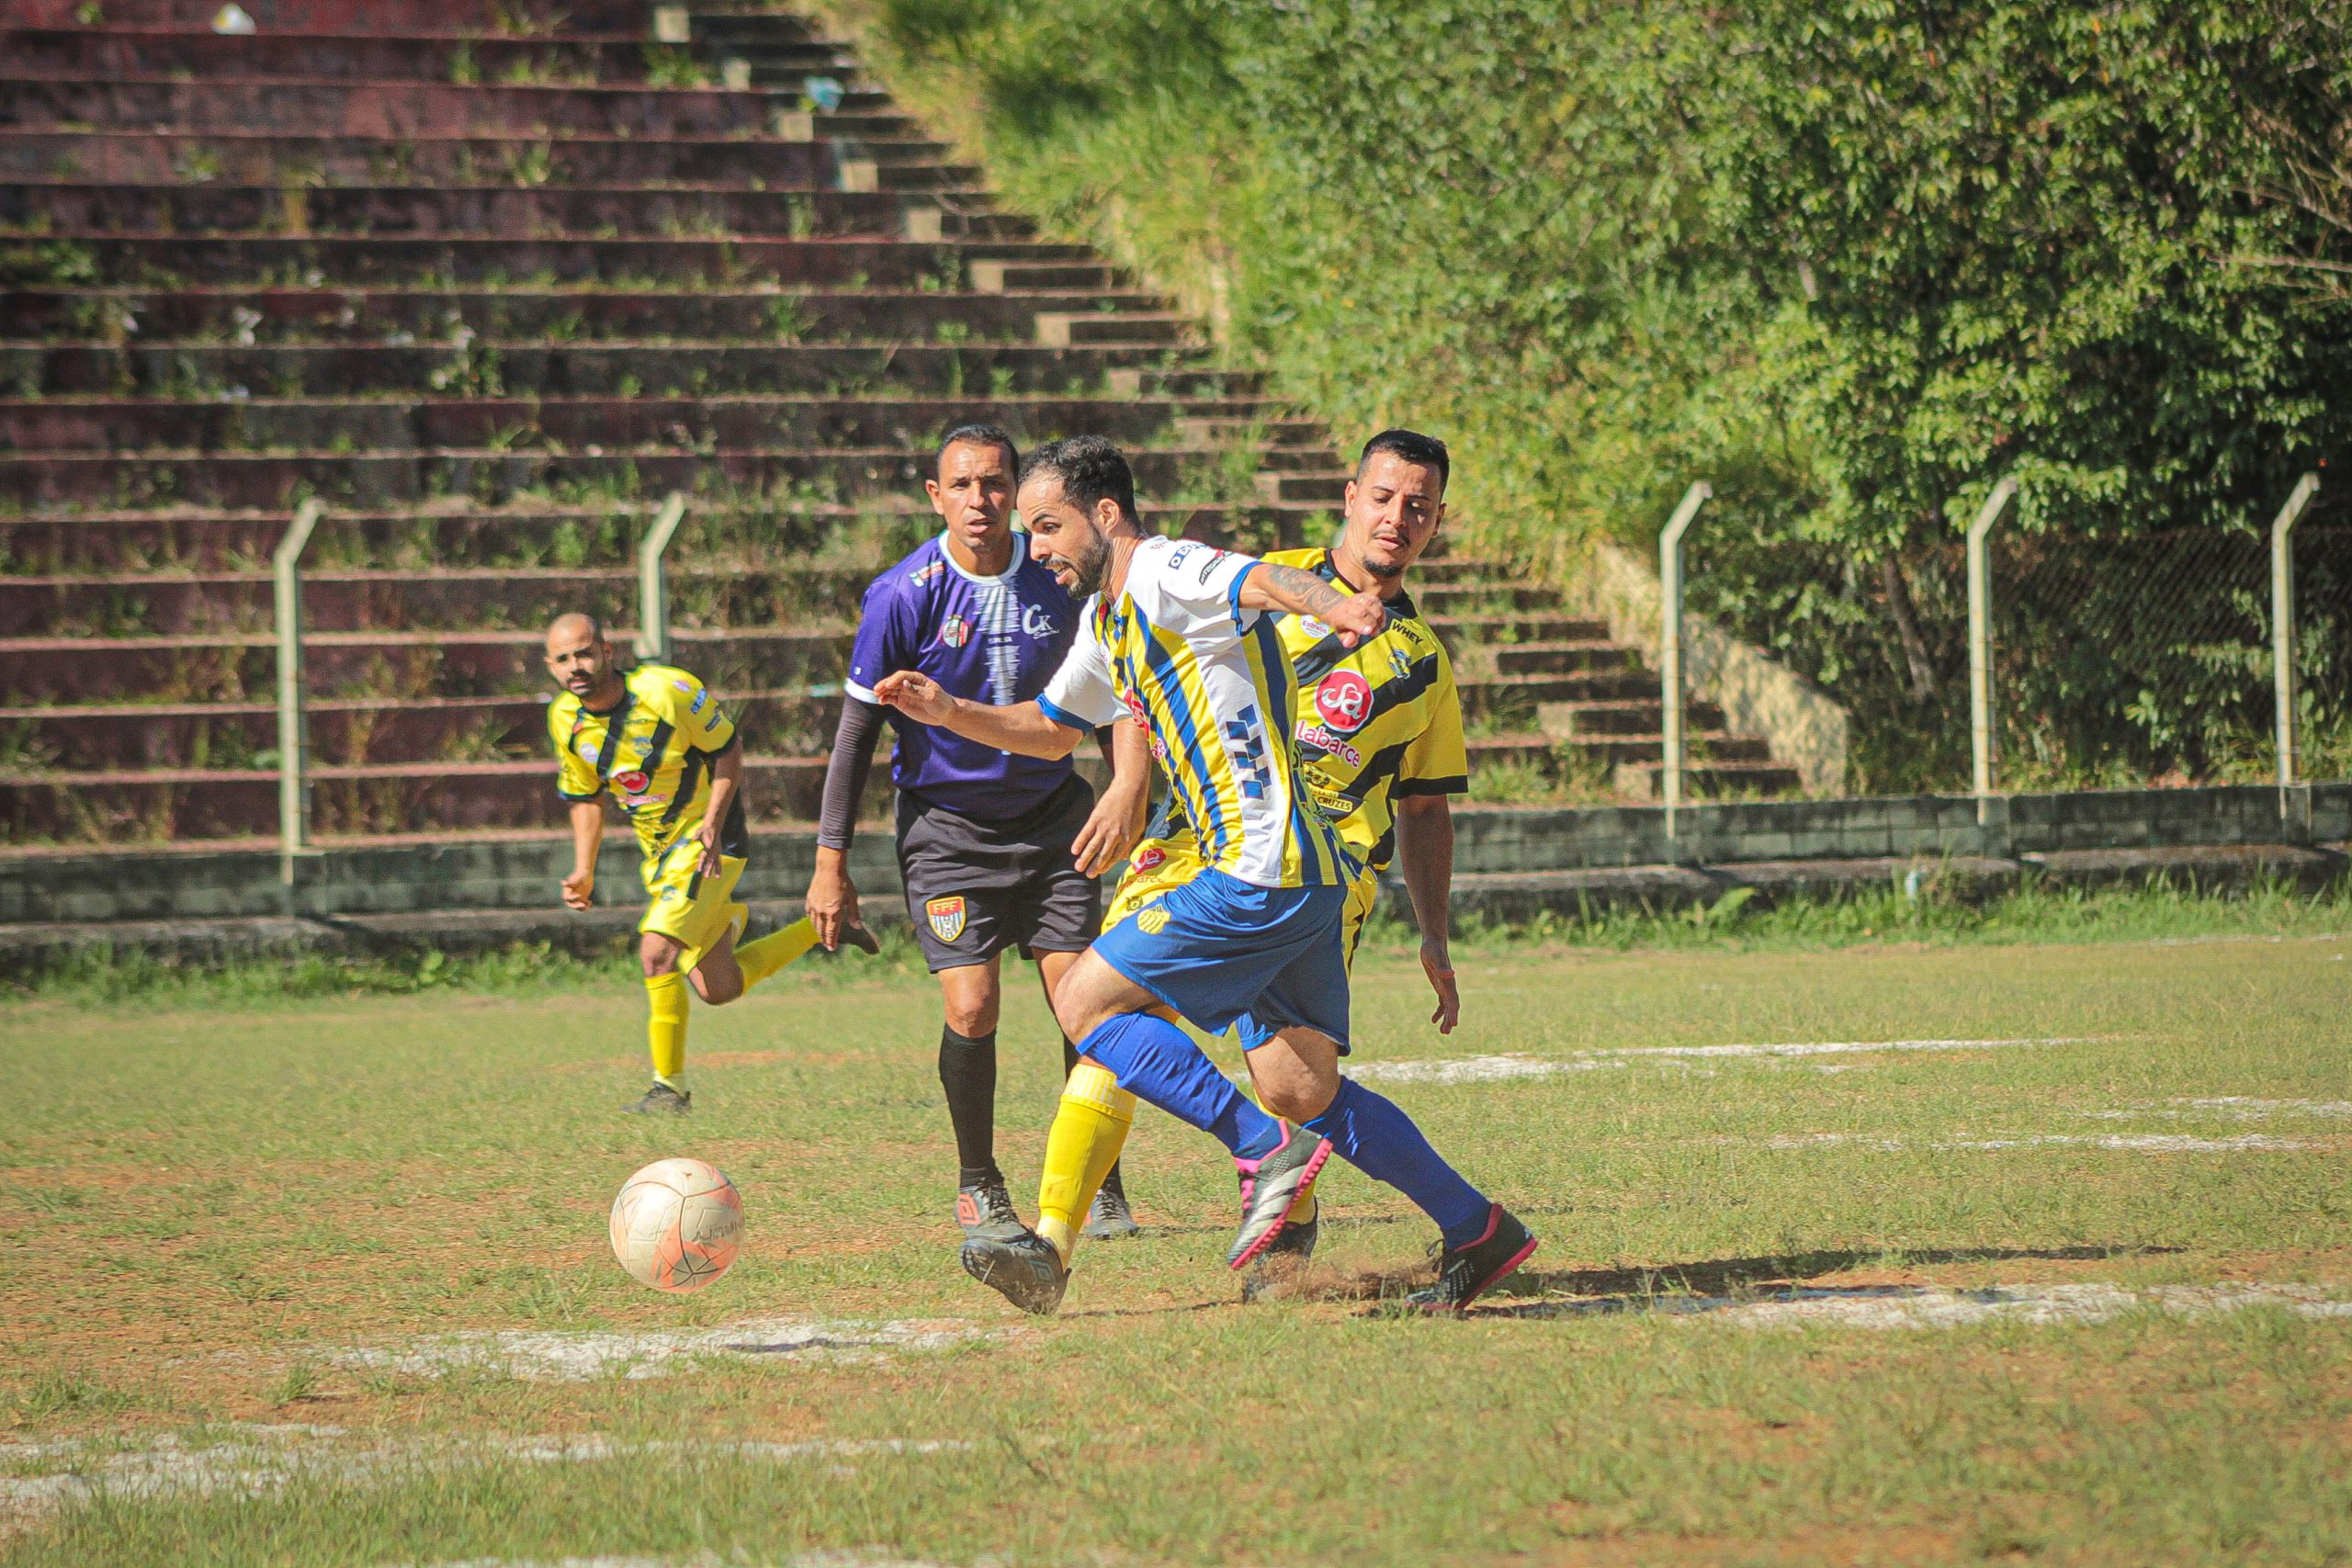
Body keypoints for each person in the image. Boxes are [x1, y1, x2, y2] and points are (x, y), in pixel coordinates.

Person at [872, 435, 1535, 1316]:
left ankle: (1262, 1151)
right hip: (1304, 878)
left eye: (1048, 527)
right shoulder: (1107, 620)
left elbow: (1263, 581)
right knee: (1304, 1087)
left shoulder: (1161, 567)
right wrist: (945, 709)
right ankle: (1477, 1227)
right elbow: (1048, 726)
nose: (1035, 550)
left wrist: (1338, 608)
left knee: (1085, 1003)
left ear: (1103, 516)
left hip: (1258, 868)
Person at [1102, 427, 1481, 1296]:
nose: (1398, 517)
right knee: (1099, 1000)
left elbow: (1425, 809)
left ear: (1436, 524)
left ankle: (1360, 1218)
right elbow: (1137, 656)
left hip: (1324, 878)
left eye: (1418, 506)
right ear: (1349, 496)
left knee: (1291, 1085)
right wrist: (1128, 777)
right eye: (1383, 497)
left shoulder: (1421, 664)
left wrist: (1435, 935)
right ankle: (1051, 1236)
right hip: (1202, 842)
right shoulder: (1262, 579)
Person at [803, 424, 1152, 1253]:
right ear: (936, 496)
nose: (980, 501)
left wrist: (1128, 798)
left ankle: (1094, 1181)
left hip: (1053, 822)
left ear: (1016, 491)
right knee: (973, 1003)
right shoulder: (902, 593)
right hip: (947, 831)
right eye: (961, 485)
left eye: (995, 484)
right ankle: (978, 1184)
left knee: (1085, 1005)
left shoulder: (1058, 579)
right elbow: (856, 733)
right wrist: (830, 864)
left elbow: (1113, 698)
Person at [545, 612, 841, 1114]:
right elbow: (586, 796)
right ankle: (823, 928)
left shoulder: (667, 692)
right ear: (550, 665)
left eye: (585, 652)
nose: (577, 666)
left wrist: (711, 821)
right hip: (662, 857)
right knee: (716, 987)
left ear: (609, 651)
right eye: (563, 658)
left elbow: (728, 750)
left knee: (656, 953)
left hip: (712, 845)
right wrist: (584, 868)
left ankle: (669, 1089)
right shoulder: (565, 720)